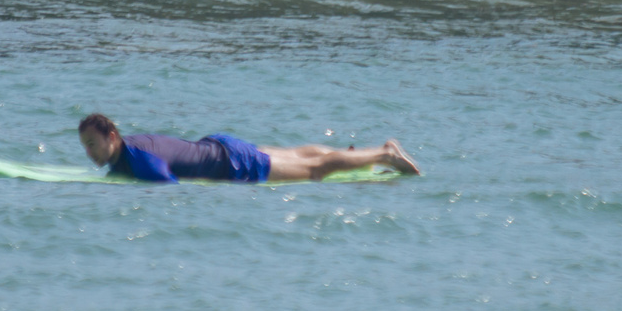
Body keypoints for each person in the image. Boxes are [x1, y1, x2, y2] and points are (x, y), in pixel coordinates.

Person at [77, 113, 419, 182]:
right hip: (220, 145)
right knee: (301, 154)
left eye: (93, 144)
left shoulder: (140, 163)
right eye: (85, 147)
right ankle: (354, 156)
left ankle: (384, 153)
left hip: (234, 165)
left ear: (112, 137)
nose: (90, 153)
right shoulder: (131, 146)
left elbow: (168, 184)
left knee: (316, 170)